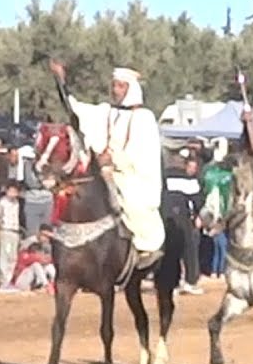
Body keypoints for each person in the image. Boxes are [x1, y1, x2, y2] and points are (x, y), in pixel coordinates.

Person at [50, 62, 166, 269]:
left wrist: (114, 159)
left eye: (121, 86)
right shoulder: (106, 112)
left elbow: (141, 152)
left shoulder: (144, 118)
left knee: (134, 205)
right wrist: (61, 80)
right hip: (103, 171)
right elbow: (75, 109)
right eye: (114, 85)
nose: (115, 90)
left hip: (131, 177)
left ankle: (143, 249)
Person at [163, 155, 204, 295]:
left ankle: (176, 283)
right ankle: (188, 282)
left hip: (170, 218)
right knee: (188, 250)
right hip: (181, 219)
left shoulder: (164, 176)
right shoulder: (187, 179)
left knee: (173, 251)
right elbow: (197, 199)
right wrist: (198, 215)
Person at [0, 180, 23, 291]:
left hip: (15, 231)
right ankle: (3, 282)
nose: (13, 193)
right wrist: (3, 224)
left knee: (13, 258)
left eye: (15, 191)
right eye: (11, 191)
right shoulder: (2, 202)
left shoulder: (17, 203)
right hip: (6, 231)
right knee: (5, 257)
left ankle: (8, 281)